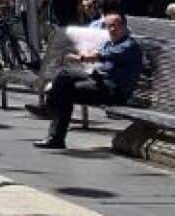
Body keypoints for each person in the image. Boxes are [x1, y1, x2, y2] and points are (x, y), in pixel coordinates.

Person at [35, 13, 143, 149]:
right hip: (99, 80)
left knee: (66, 91)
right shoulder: (110, 42)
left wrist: (80, 58)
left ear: (125, 27)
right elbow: (96, 53)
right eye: (109, 26)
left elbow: (98, 56)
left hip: (113, 91)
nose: (112, 30)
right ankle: (50, 109)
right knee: (63, 75)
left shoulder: (129, 45)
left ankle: (55, 133)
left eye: (115, 26)